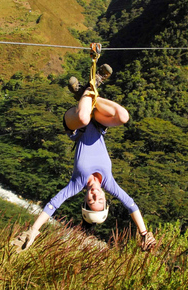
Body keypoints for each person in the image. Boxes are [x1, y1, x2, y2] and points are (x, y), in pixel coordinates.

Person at [11, 64, 156, 252]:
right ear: (105, 199)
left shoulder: (76, 184)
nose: (95, 195)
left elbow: (52, 205)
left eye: (91, 200)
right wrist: (144, 234)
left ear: (85, 200)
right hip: (98, 123)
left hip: (75, 124)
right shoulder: (110, 183)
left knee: (84, 117)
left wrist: (33, 230)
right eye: (100, 201)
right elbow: (131, 205)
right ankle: (89, 90)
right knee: (123, 117)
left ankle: (86, 93)